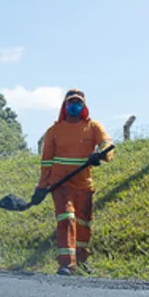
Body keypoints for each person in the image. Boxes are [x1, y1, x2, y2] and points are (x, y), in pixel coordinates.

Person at [36, 89, 114, 275]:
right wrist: (41, 187)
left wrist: (101, 155)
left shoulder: (93, 127)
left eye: (78, 102)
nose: (74, 106)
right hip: (60, 185)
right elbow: (46, 161)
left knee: (83, 223)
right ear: (65, 105)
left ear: (84, 106)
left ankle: (82, 260)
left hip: (84, 185)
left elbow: (107, 143)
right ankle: (66, 265)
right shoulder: (54, 131)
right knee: (66, 219)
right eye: (71, 102)